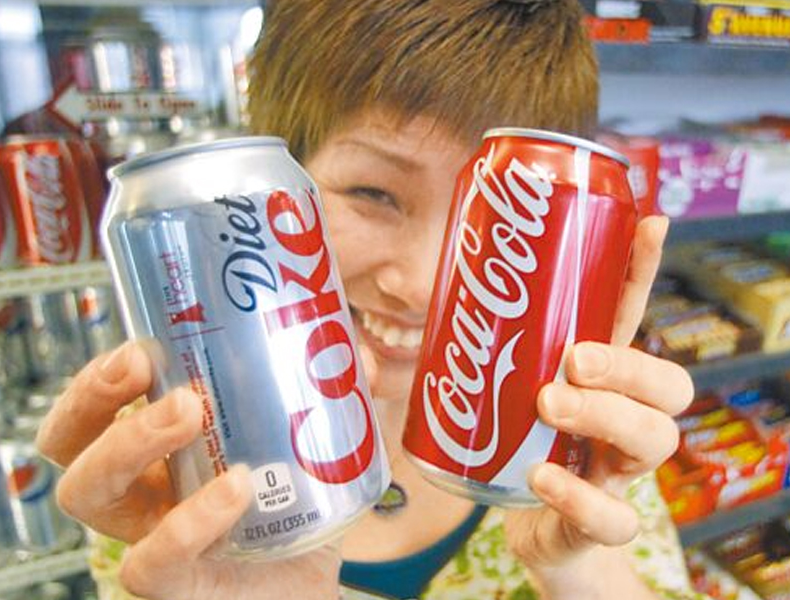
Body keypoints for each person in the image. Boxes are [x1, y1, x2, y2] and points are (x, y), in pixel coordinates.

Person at [36, 1, 706, 599]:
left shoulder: (585, 437)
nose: (418, 284)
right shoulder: (167, 456)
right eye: (372, 194)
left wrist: (578, 572)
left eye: (497, 221)